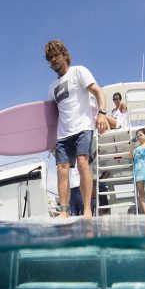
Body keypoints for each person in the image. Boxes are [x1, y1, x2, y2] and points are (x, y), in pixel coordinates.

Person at [45, 39, 109, 219]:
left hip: (82, 127)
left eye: (55, 56)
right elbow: (52, 117)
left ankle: (88, 209)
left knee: (82, 163)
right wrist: (51, 141)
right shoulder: (52, 88)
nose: (53, 61)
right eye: (50, 59)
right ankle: (64, 212)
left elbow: (98, 91)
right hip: (63, 134)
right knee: (61, 170)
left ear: (64, 55)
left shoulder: (79, 71)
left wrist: (102, 113)